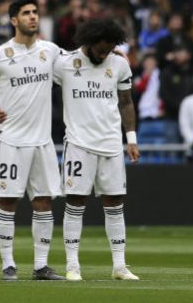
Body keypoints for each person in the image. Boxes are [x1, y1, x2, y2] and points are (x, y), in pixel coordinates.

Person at [0, 0, 65, 281]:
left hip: (42, 141)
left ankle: (40, 266)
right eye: (26, 13)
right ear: (14, 20)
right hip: (11, 140)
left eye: (35, 12)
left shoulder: (51, 52)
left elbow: (78, 67)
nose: (33, 17)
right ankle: (8, 264)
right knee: (7, 202)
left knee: (43, 202)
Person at [53, 18, 140, 281]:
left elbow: (126, 102)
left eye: (109, 49)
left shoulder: (120, 63)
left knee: (114, 203)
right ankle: (72, 265)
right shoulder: (65, 64)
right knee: (76, 202)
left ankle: (120, 266)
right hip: (79, 144)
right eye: (101, 49)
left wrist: (131, 139)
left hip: (112, 145)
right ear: (88, 43)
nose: (105, 54)